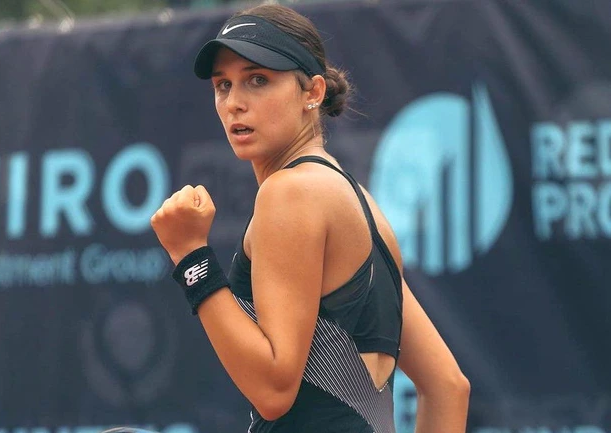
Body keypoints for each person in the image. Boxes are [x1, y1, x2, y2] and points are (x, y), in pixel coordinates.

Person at [150, 4, 470, 432]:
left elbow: (273, 391)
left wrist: (191, 256)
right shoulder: (360, 205)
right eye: (223, 85)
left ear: (312, 92)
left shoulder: (290, 192)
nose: (235, 103)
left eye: (258, 80)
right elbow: (448, 387)